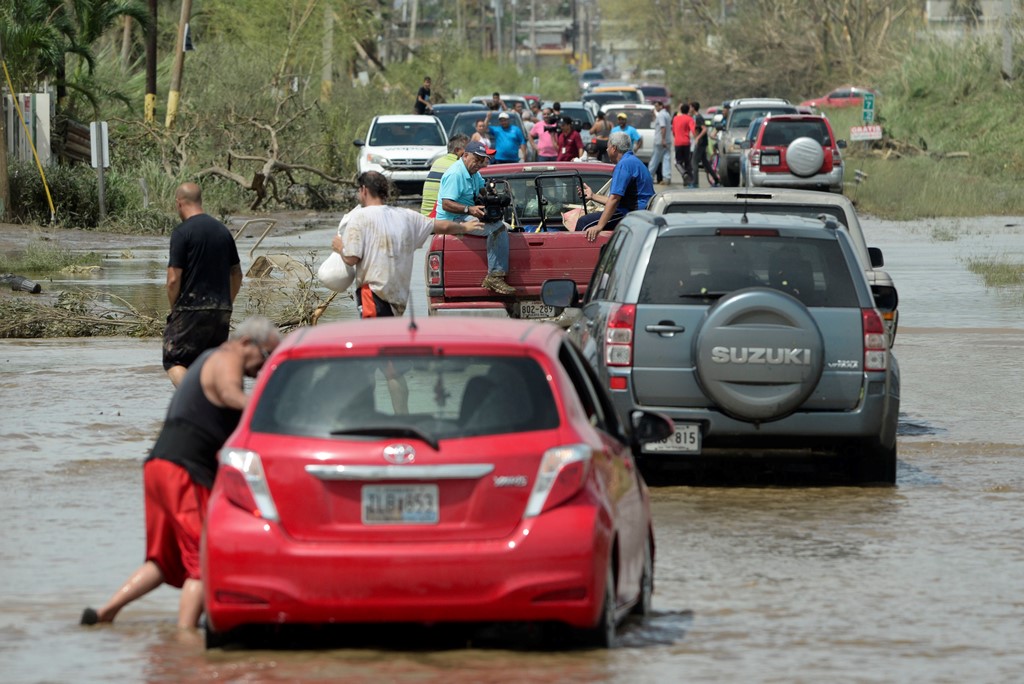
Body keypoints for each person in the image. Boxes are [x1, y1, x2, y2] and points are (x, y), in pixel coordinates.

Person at [81, 317, 281, 629]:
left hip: (159, 466)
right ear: (245, 343)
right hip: (184, 472)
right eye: (267, 356)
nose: (265, 367)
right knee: (204, 561)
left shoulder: (207, 360)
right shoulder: (225, 356)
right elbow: (229, 394)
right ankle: (186, 637)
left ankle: (104, 613)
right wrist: (272, 410)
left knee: (165, 561)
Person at [336, 170, 481, 317]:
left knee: (375, 338)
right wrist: (464, 227)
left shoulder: (359, 218)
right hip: (398, 298)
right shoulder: (407, 216)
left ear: (364, 190)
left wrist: (340, 247)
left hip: (372, 295)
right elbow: (441, 226)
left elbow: (351, 258)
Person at [162, 182, 242, 388]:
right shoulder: (223, 232)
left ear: (179, 203)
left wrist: (175, 309)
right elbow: (237, 274)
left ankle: (195, 399)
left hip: (190, 309)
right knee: (210, 363)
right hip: (221, 310)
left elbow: (173, 279)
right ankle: (216, 408)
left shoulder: (182, 232)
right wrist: (226, 303)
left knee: (174, 360)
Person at [435, 141, 516, 295]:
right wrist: (469, 209)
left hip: (464, 214)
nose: (478, 164)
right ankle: (494, 276)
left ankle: (496, 270)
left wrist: (493, 198)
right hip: (451, 219)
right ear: (465, 155)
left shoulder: (473, 173)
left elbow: (482, 189)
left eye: (481, 160)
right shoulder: (456, 174)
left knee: (507, 227)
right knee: (498, 228)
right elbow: (446, 204)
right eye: (476, 159)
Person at [579, 131, 655, 242]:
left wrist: (599, 226)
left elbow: (614, 199)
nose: (606, 150)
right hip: (636, 210)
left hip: (634, 213)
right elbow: (615, 199)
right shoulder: (632, 161)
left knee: (584, 222)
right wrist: (593, 196)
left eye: (607, 147)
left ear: (614, 148)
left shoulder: (624, 165)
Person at [421, 133, 469, 217]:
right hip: (438, 217)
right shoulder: (458, 166)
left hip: (425, 215)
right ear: (457, 150)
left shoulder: (438, 161)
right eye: (468, 149)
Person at [690, 101, 720, 187]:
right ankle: (716, 179)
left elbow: (704, 129)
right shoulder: (696, 117)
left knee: (694, 162)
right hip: (702, 143)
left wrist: (698, 138)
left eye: (690, 107)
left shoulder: (698, 117)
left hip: (701, 143)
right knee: (705, 163)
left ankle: (695, 183)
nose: (690, 109)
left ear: (693, 108)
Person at [648, 100, 673, 183]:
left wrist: (663, 139)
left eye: (656, 106)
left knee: (655, 159)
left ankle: (649, 176)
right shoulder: (666, 114)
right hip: (667, 140)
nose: (656, 108)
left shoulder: (661, 115)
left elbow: (663, 127)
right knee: (666, 158)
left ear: (661, 106)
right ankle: (667, 177)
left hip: (660, 141)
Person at [672, 101, 695, 186]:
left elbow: (673, 131)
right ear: (688, 110)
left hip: (677, 142)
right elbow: (693, 130)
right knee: (687, 162)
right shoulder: (689, 119)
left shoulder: (675, 118)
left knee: (678, 162)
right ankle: (688, 179)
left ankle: (684, 175)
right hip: (686, 142)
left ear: (681, 110)